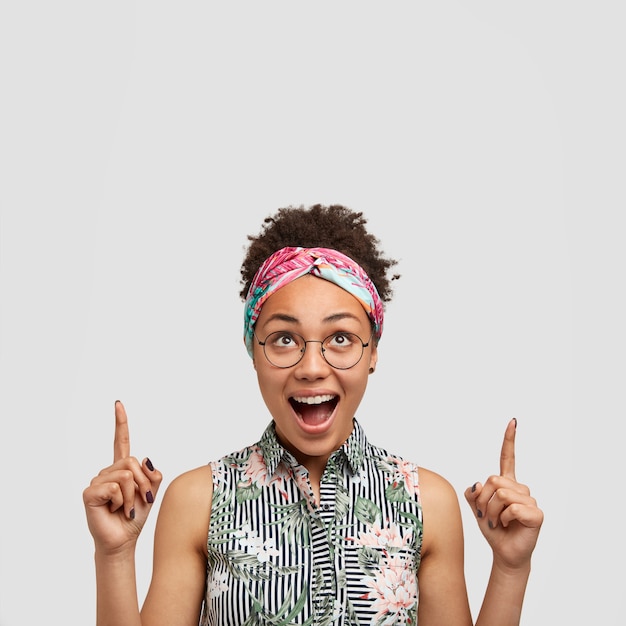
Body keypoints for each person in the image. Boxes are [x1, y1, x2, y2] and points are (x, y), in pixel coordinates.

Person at [83, 203, 543, 626]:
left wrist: (510, 568)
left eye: (340, 338)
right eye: (284, 339)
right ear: (253, 352)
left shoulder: (428, 502)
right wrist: (115, 555)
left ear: (373, 352)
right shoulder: (198, 500)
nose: (311, 368)